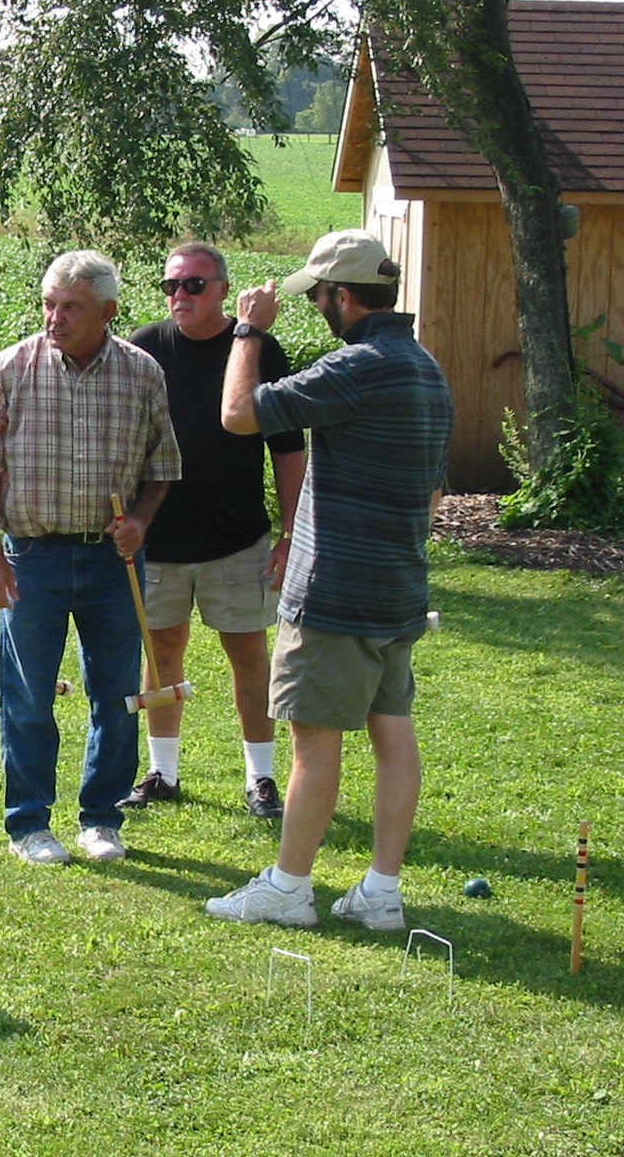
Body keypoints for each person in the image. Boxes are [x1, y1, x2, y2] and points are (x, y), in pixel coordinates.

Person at [205, 229, 451, 929]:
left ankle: (288, 888)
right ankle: (381, 892)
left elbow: (237, 414)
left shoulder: (357, 366)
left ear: (342, 296)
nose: (314, 306)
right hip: (398, 589)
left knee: (313, 743)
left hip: (335, 593)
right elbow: (435, 495)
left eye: (316, 295)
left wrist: (248, 333)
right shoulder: (426, 368)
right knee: (393, 734)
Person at [0, 250, 181, 865]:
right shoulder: (11, 367)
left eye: (70, 307)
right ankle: (29, 825)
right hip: (31, 557)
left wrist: (140, 521)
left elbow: (163, 467)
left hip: (114, 563)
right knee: (28, 695)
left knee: (116, 695)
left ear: (107, 312)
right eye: (49, 305)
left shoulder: (142, 373)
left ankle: (101, 820)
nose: (54, 317)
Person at [123, 242, 305, 818]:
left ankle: (261, 779)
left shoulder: (258, 349)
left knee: (248, 653)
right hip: (159, 539)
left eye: (194, 285)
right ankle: (163, 772)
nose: (180, 295)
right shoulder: (144, 347)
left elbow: (288, 448)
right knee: (162, 651)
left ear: (223, 290)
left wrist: (291, 533)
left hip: (237, 538)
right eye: (171, 285)